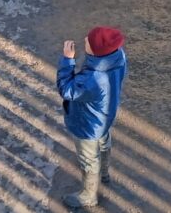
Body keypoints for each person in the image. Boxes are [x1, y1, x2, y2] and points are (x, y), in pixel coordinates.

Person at [56, 26, 128, 209]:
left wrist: (67, 61)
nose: (85, 39)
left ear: (96, 52)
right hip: (105, 115)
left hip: (87, 125)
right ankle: (104, 173)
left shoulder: (93, 78)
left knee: (89, 159)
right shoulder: (118, 57)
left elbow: (67, 90)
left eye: (88, 41)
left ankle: (88, 195)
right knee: (104, 142)